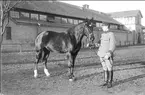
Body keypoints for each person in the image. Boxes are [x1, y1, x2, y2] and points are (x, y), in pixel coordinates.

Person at [97, 22, 116, 88]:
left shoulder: (111, 34)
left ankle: (110, 82)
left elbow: (113, 45)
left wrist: (108, 54)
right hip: (101, 55)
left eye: (103, 26)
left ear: (107, 26)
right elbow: (101, 44)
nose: (102, 27)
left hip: (107, 56)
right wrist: (95, 44)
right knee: (104, 68)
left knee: (109, 68)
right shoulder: (102, 34)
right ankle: (105, 81)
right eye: (102, 26)